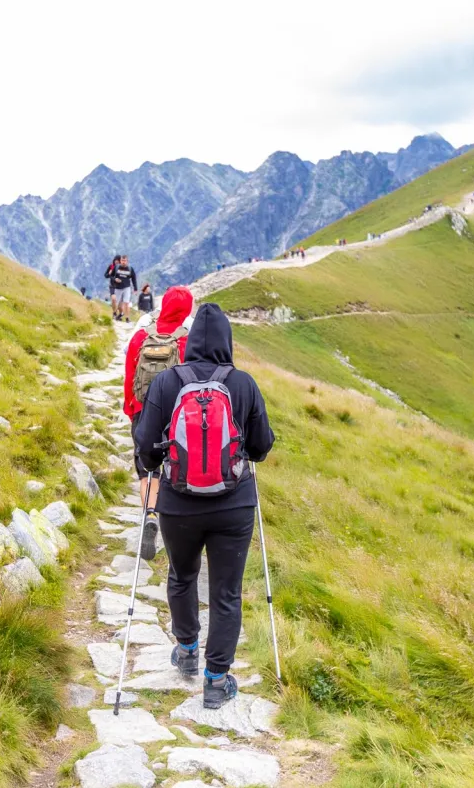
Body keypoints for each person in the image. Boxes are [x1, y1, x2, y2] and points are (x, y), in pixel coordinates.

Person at [133, 303, 275, 709]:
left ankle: (187, 650)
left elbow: (145, 445)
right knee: (226, 592)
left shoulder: (167, 383)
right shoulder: (244, 383)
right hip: (234, 506)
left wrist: (159, 465)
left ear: (191, 342)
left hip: (179, 503)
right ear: (228, 341)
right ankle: (216, 680)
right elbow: (262, 447)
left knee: (181, 575)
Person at [124, 285, 194, 552]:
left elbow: (130, 377)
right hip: (178, 416)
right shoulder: (188, 340)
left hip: (144, 411)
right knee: (175, 468)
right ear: (187, 309)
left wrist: (132, 410)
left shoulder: (141, 336)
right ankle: (176, 527)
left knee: (147, 471)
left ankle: (150, 514)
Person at [106, 254, 138, 321]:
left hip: (127, 287)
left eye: (125, 261)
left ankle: (127, 318)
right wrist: (115, 279)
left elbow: (134, 278)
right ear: (120, 261)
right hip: (117, 287)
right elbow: (111, 276)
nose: (123, 262)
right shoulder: (116, 267)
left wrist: (135, 288)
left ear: (127, 261)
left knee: (126, 302)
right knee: (116, 303)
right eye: (122, 260)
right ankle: (114, 313)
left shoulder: (130, 269)